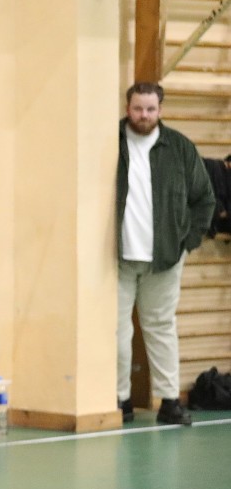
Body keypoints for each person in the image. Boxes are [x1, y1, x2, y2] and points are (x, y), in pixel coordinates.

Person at [116, 82, 214, 425]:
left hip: (166, 257)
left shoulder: (181, 147)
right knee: (116, 333)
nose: (143, 115)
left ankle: (169, 401)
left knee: (161, 328)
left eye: (150, 109)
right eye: (137, 109)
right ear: (127, 108)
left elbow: (205, 199)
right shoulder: (110, 141)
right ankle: (120, 400)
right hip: (117, 258)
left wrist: (188, 242)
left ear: (161, 110)